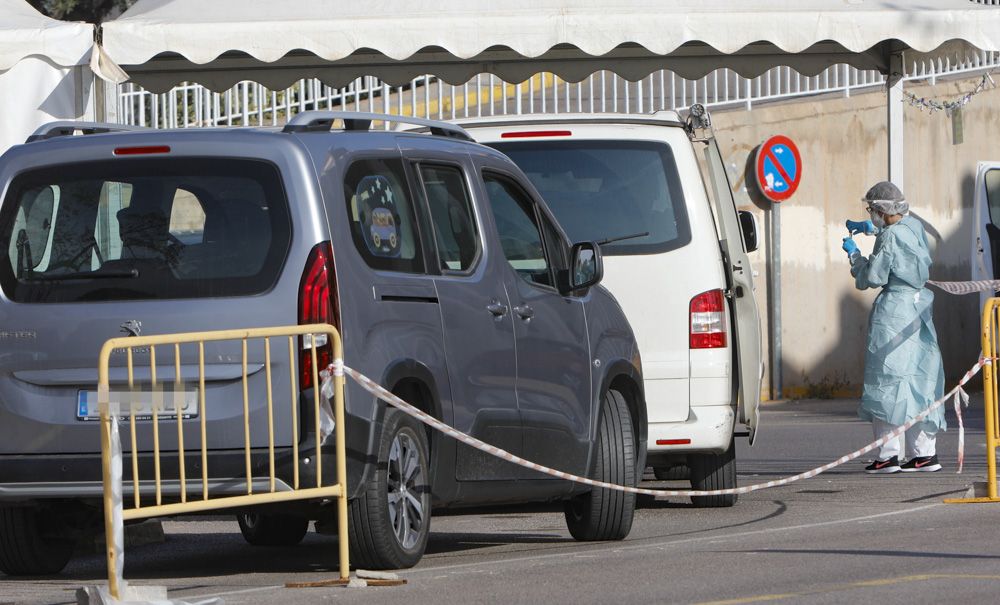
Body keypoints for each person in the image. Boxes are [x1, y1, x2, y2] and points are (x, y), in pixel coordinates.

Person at [841, 181, 945, 474]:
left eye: (873, 210)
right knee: (919, 381)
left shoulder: (888, 239)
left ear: (883, 210)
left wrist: (854, 255)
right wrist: (871, 229)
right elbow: (903, 239)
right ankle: (924, 454)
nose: (870, 214)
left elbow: (870, 278)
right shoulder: (914, 228)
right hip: (920, 311)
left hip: (894, 313)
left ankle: (888, 455)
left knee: (887, 381)